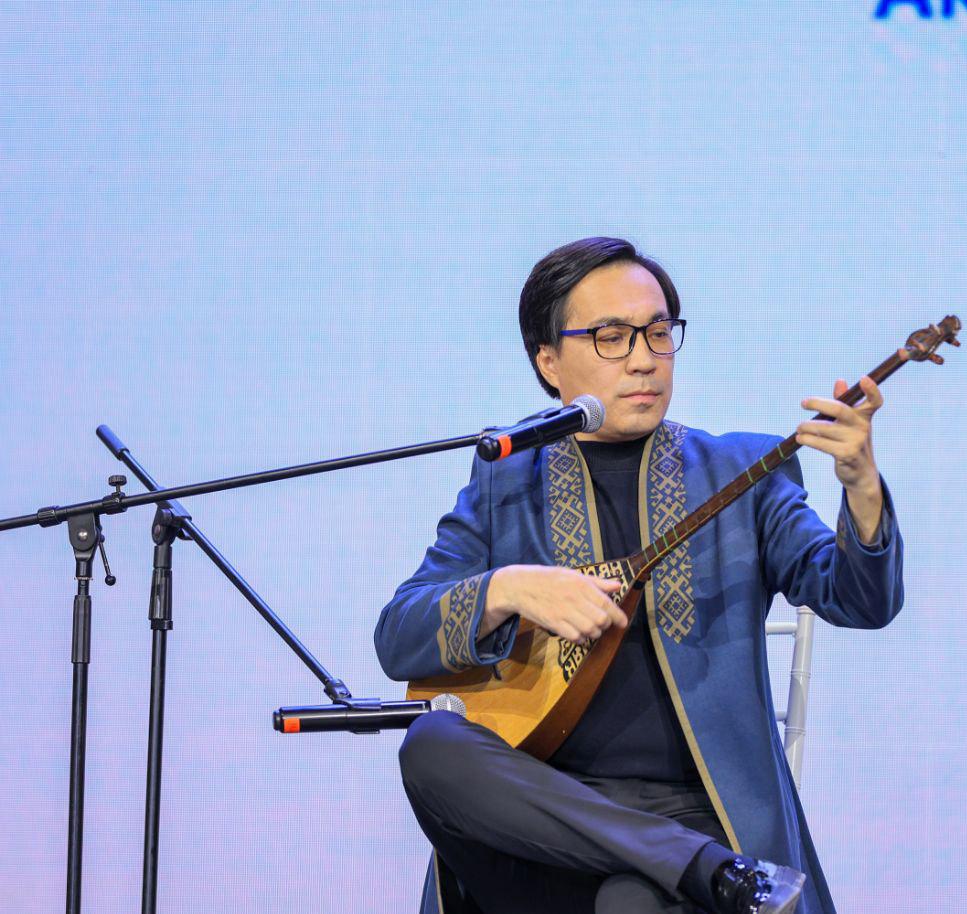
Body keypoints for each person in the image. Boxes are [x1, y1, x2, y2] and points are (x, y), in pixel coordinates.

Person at [375, 237, 905, 914]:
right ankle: (699, 868)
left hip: (699, 813)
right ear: (548, 361)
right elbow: (398, 638)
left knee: (635, 903)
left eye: (658, 332)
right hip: (542, 820)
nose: (644, 358)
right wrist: (507, 590)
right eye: (611, 337)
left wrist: (862, 487)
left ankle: (690, 863)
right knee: (431, 746)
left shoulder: (741, 472)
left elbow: (861, 601)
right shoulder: (506, 482)